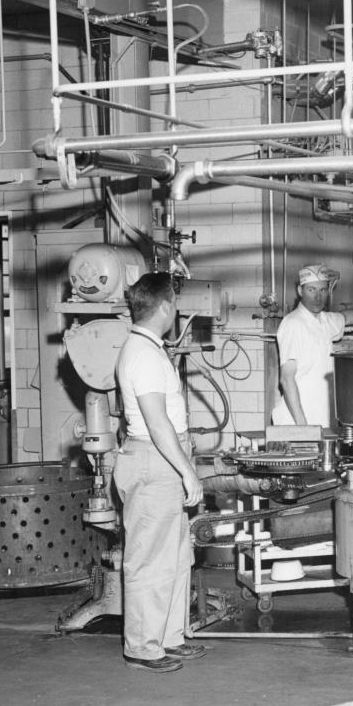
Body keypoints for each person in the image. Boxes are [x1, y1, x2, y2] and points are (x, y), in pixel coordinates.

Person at [113, 272, 206, 673]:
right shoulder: (144, 355)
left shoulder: (148, 349)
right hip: (156, 460)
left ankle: (169, 637)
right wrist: (188, 472)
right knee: (150, 559)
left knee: (175, 556)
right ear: (166, 307)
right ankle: (142, 647)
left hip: (162, 457)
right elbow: (157, 422)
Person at [272, 264, 353, 429]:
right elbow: (286, 378)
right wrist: (303, 427)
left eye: (323, 290)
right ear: (300, 291)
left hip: (322, 420)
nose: (318, 297)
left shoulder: (324, 320)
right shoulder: (293, 324)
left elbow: (346, 317)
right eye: (312, 290)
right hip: (297, 423)